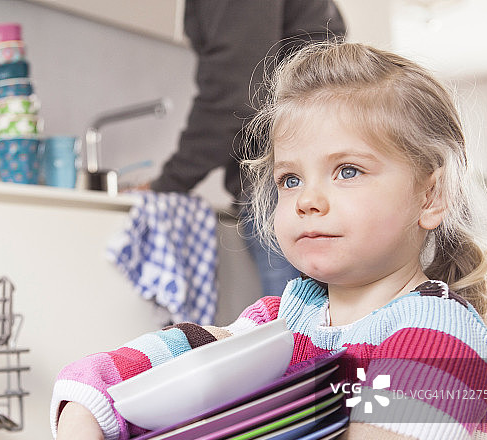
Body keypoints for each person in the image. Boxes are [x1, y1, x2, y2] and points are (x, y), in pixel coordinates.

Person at [50, 41, 487, 440]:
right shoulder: (289, 317)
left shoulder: (441, 334)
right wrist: (85, 407)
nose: (308, 199)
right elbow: (185, 355)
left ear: (431, 195)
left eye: (347, 171)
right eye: (290, 179)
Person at [145, 0, 346, 297]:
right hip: (315, 171)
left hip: (284, 183)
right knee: (329, 323)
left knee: (295, 327)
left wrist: (167, 183)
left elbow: (234, 95)